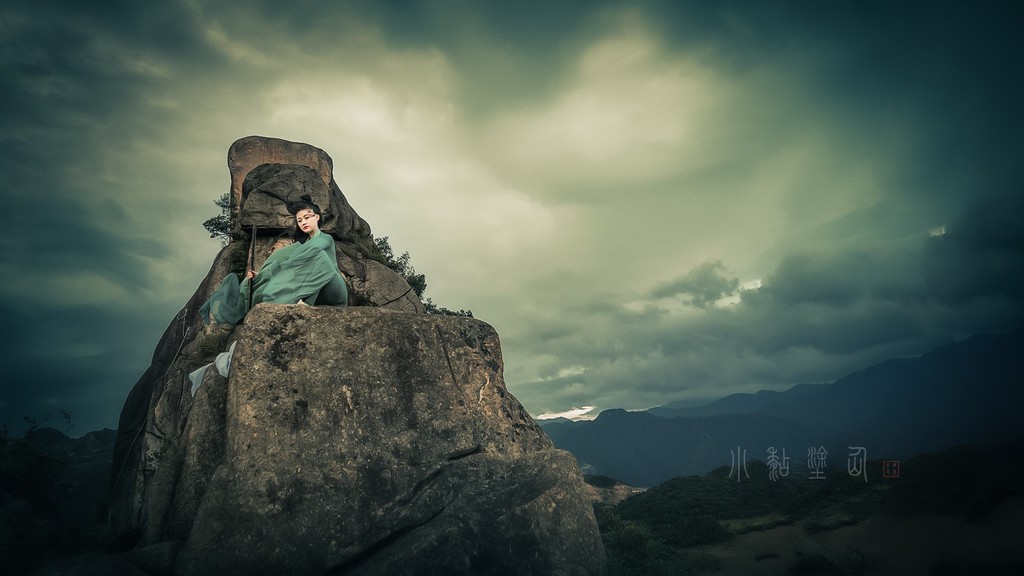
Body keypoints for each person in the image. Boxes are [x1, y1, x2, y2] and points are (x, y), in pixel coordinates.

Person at [199, 195, 348, 325]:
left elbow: (310, 253)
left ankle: (303, 302)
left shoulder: (326, 239)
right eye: (300, 220)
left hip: (333, 288)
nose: (303, 222)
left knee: (316, 256)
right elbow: (283, 261)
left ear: (317, 217)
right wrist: (260, 276)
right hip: (318, 293)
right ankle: (292, 297)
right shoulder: (300, 246)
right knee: (282, 260)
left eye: (307, 217)